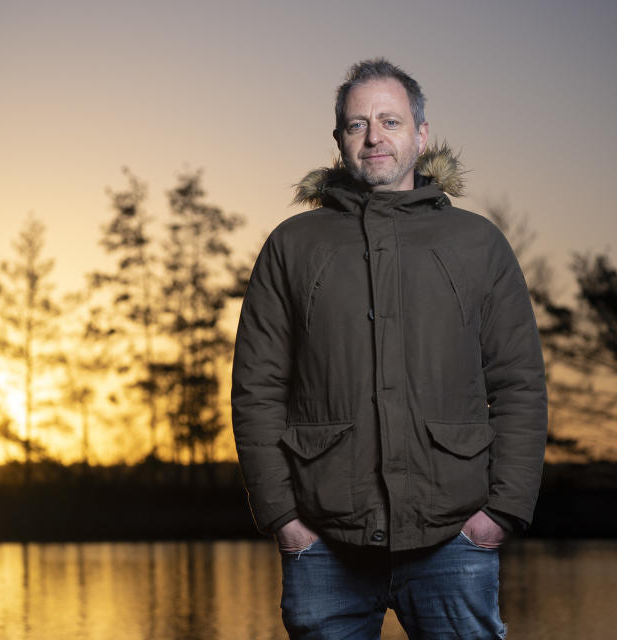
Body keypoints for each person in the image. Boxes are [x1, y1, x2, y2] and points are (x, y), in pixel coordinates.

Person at [231, 58, 547, 639]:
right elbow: (257, 390)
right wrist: (283, 519)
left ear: (421, 134)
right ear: (338, 141)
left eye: (390, 121)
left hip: (455, 538)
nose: (373, 136)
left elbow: (519, 384)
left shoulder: (478, 243)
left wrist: (500, 515)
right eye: (356, 125)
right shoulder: (291, 246)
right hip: (324, 546)